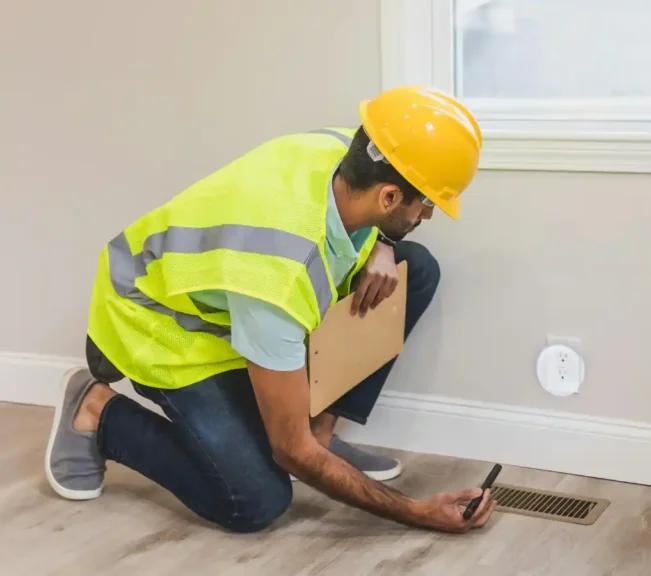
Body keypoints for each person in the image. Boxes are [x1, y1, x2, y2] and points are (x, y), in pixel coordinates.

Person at [43, 86, 497, 534]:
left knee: (411, 268)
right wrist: (416, 512)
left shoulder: (347, 150)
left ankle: (321, 434)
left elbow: (380, 212)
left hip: (233, 303)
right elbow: (289, 450)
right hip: (160, 324)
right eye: (429, 203)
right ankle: (97, 410)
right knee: (257, 499)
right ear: (389, 198)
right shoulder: (279, 275)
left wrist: (383, 242)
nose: (430, 215)